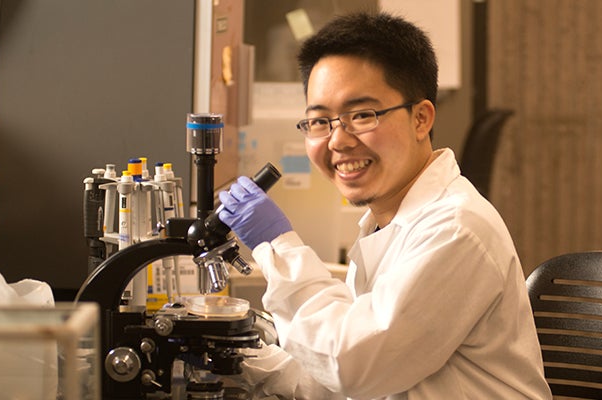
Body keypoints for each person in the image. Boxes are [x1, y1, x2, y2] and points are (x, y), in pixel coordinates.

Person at [219, 11, 552, 400]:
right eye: (319, 121)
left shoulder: (455, 229)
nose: (337, 140)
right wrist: (238, 357)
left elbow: (351, 365)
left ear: (421, 119)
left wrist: (278, 244)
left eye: (362, 115)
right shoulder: (386, 222)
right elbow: (339, 377)